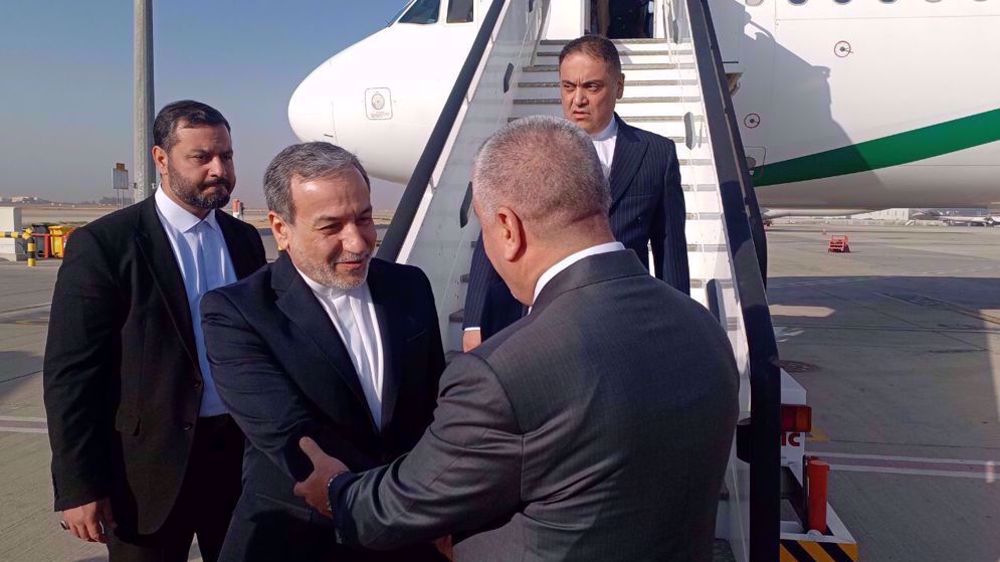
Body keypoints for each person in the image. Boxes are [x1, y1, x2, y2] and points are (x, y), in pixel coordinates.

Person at [293, 116, 739, 562]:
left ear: (508, 228)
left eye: (485, 231)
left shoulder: (503, 371)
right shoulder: (701, 326)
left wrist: (337, 490)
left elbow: (399, 508)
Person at [200, 142, 446, 562]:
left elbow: (433, 406)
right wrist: (395, 505)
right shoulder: (237, 312)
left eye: (365, 218)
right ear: (281, 229)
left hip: (410, 536)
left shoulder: (410, 287)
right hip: (299, 537)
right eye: (331, 227)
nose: (358, 242)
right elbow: (290, 434)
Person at [43, 100, 266, 561]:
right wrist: (78, 484)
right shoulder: (106, 245)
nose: (218, 169)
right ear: (161, 159)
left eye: (226, 156)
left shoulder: (245, 242)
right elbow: (72, 375)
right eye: (201, 157)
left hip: (236, 461)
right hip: (146, 473)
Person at [463, 34, 688, 351]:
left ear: (619, 87)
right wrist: (474, 321)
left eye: (591, 87)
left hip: (620, 314)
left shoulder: (656, 154)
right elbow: (492, 231)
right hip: (538, 317)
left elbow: (669, 247)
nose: (577, 99)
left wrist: (679, 320)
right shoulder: (527, 148)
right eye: (568, 87)